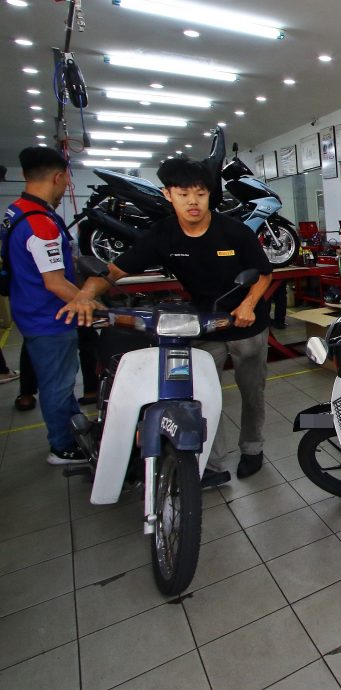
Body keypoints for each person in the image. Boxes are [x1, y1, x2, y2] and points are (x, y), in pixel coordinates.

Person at [60, 158, 273, 486]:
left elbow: (264, 273)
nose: (192, 201)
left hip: (248, 323)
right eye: (183, 193)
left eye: (200, 194)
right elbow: (114, 270)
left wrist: (247, 304)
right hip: (204, 324)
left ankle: (253, 447)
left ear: (209, 196)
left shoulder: (234, 230)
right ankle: (211, 465)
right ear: (168, 194)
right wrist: (85, 294)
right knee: (201, 395)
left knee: (251, 391)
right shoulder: (163, 235)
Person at [3, 146, 86, 464]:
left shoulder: (16, 211)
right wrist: (92, 303)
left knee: (58, 381)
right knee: (59, 383)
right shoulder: (41, 224)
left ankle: (71, 430)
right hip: (49, 318)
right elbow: (55, 282)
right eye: (65, 181)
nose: (65, 187)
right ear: (58, 177)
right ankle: (63, 445)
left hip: (29, 311)